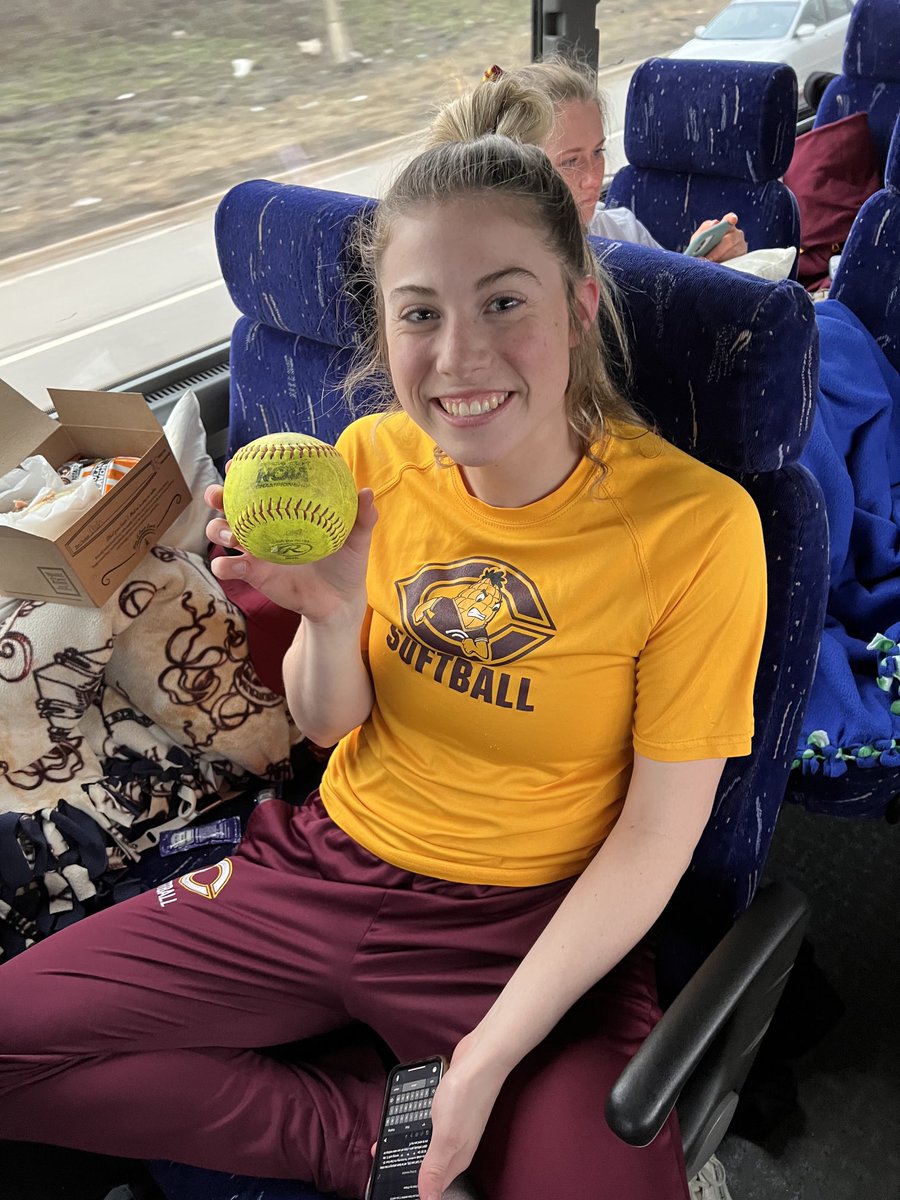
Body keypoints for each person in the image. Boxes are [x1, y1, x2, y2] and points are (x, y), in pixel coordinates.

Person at [0, 135, 767, 1200]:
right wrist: (329, 610)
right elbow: (325, 727)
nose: (457, 356)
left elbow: (653, 840)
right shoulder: (368, 461)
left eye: (505, 302)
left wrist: (487, 1060)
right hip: (325, 863)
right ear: (386, 328)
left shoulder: (697, 529)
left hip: (526, 924)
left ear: (581, 305)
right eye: (420, 312)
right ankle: (359, 1139)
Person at [428, 58, 748, 262]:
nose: (593, 178)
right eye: (570, 162)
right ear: (517, 170)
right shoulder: (493, 267)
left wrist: (707, 270)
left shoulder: (621, 232)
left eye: (597, 152)